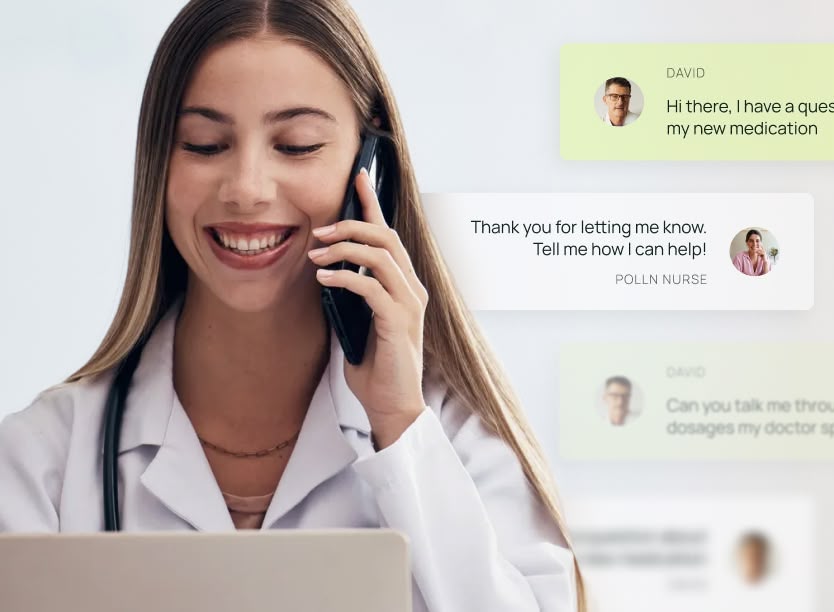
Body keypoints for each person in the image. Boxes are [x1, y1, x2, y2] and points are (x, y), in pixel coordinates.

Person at [0, 1, 584, 610]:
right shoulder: (42, 459)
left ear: (371, 166)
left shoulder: (453, 442)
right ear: (158, 163)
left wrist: (400, 429)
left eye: (298, 145)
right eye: (204, 144)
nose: (246, 188)